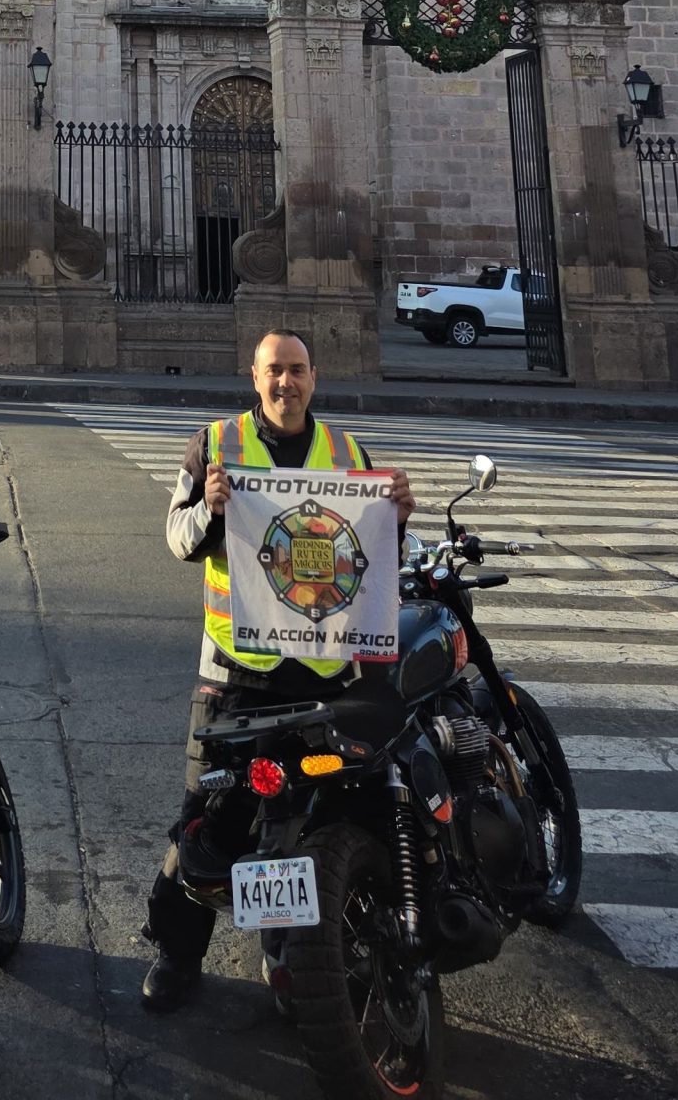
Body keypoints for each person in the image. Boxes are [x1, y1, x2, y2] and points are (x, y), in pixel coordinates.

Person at [141, 329, 415, 1013]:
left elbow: (370, 551)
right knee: (205, 825)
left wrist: (399, 518)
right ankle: (177, 955)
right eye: (274, 372)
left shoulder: (348, 454)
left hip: (320, 676)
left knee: (306, 826)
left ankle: (288, 956)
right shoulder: (214, 443)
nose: (285, 383)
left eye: (296, 371)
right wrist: (209, 507)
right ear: (254, 377)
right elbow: (176, 538)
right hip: (236, 672)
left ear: (314, 378)